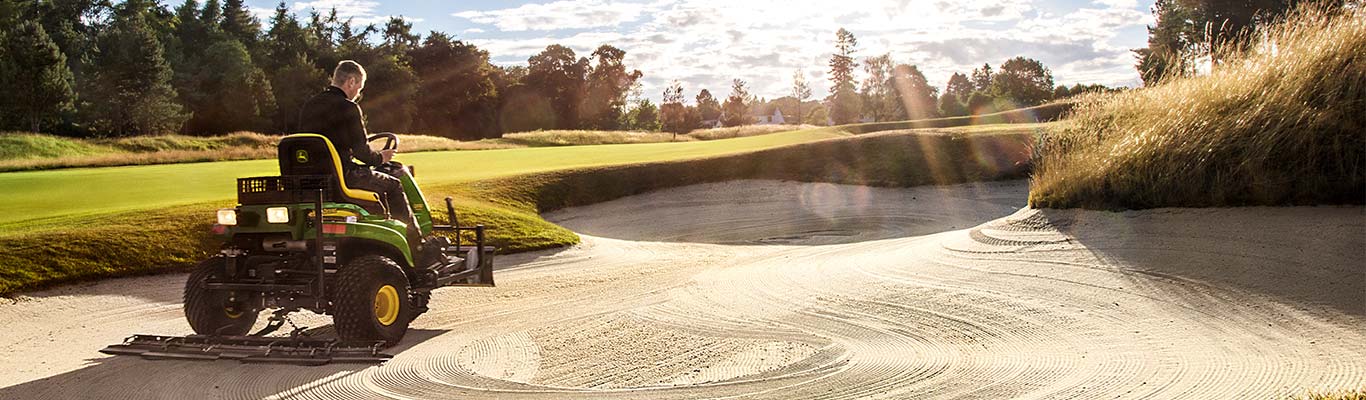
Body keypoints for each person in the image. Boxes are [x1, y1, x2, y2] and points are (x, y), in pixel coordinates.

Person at [297, 60, 424, 255]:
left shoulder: (309, 106)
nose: (358, 93)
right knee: (394, 185)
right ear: (351, 81)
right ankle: (416, 245)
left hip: (312, 179)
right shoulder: (348, 107)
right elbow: (363, 153)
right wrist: (381, 157)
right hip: (344, 177)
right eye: (359, 87)